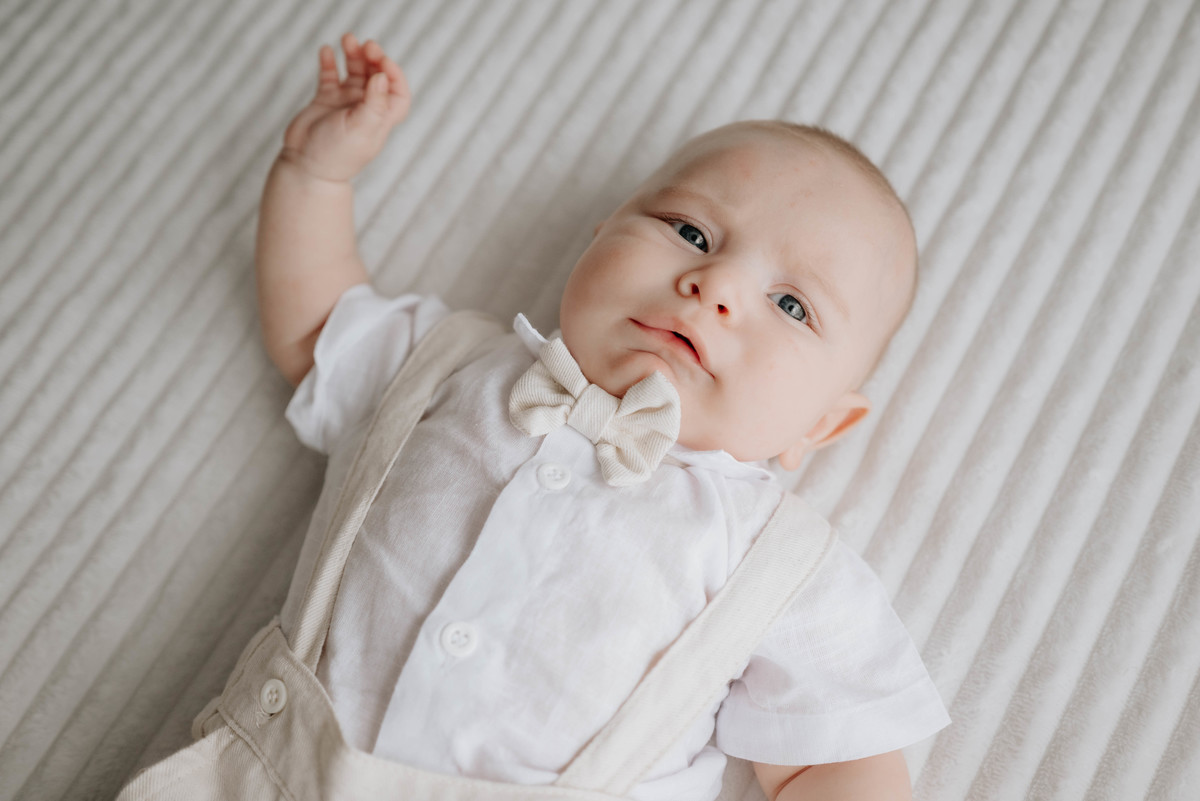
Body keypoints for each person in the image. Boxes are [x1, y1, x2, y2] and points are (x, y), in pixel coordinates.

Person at [121, 32, 948, 801]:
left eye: (792, 304)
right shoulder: (446, 363)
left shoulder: (779, 562)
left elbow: (835, 755)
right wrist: (313, 177)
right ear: (599, 238)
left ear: (821, 427)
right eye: (691, 231)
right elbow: (315, 329)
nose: (718, 285)